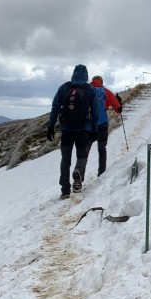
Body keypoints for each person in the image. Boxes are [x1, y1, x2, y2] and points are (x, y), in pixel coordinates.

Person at [46, 64, 101, 199]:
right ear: (86, 75)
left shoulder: (64, 88)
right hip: (84, 130)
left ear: (73, 74)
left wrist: (50, 126)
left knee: (65, 159)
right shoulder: (89, 89)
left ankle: (65, 189)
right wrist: (95, 130)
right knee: (82, 156)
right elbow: (95, 112)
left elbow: (55, 108)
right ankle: (78, 173)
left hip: (66, 130)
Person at [89, 75, 123, 176]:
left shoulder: (86, 90)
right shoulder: (106, 91)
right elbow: (118, 109)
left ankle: (79, 174)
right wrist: (118, 101)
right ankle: (101, 173)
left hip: (90, 125)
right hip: (103, 124)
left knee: (85, 150)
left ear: (92, 81)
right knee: (102, 149)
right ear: (101, 82)